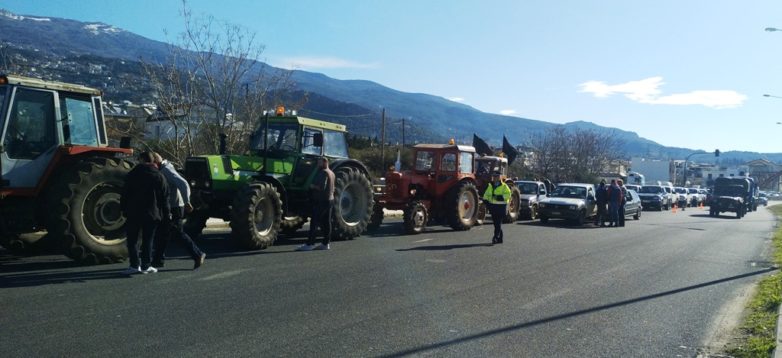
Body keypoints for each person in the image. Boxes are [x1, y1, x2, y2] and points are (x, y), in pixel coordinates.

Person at [151, 153, 206, 270]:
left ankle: (198, 254)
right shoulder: (162, 169)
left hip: (175, 207)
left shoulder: (166, 170)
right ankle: (157, 260)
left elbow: (183, 183)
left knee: (177, 233)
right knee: (161, 233)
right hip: (168, 206)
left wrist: (187, 201)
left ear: (156, 162)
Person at [120, 151, 170, 275]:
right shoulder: (158, 175)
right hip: (152, 213)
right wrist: (166, 213)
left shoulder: (132, 174)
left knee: (132, 241)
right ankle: (146, 265)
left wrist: (124, 209)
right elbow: (164, 196)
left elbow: (124, 194)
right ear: (152, 160)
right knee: (148, 240)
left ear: (141, 160)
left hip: (133, 212)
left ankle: (134, 265)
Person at [296, 157, 336, 251]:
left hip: (322, 200)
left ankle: (310, 244)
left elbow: (321, 187)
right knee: (327, 222)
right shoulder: (332, 173)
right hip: (330, 200)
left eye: (320, 162)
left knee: (314, 221)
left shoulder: (324, 173)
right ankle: (326, 243)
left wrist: (312, 186)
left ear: (325, 162)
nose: (318, 164)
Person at [483, 171, 511, 245]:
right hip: (493, 207)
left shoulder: (504, 186)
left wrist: (499, 197)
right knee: (496, 223)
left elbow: (508, 195)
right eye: (494, 176)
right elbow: (487, 194)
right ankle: (500, 238)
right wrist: (485, 200)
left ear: (500, 177)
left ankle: (495, 237)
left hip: (501, 207)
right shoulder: (490, 186)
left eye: (497, 176)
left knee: (498, 223)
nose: (495, 178)